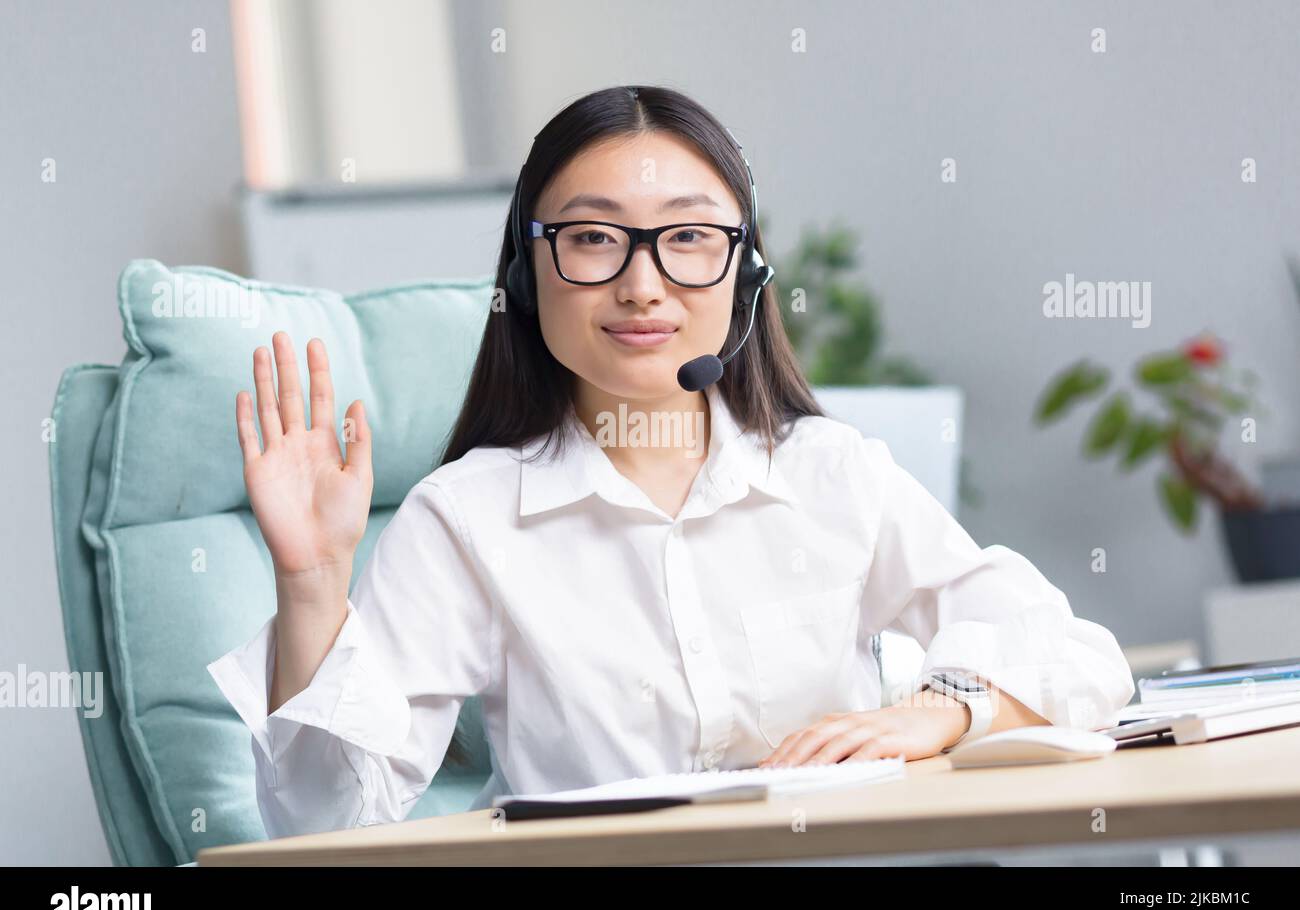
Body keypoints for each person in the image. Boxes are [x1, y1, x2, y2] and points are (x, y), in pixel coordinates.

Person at [207, 85, 1135, 840]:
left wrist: (941, 710)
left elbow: (1078, 656)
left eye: (689, 237)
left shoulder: (829, 472)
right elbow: (325, 822)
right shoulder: (467, 517)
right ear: (531, 276)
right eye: (594, 238)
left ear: (746, 274)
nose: (643, 284)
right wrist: (316, 583)